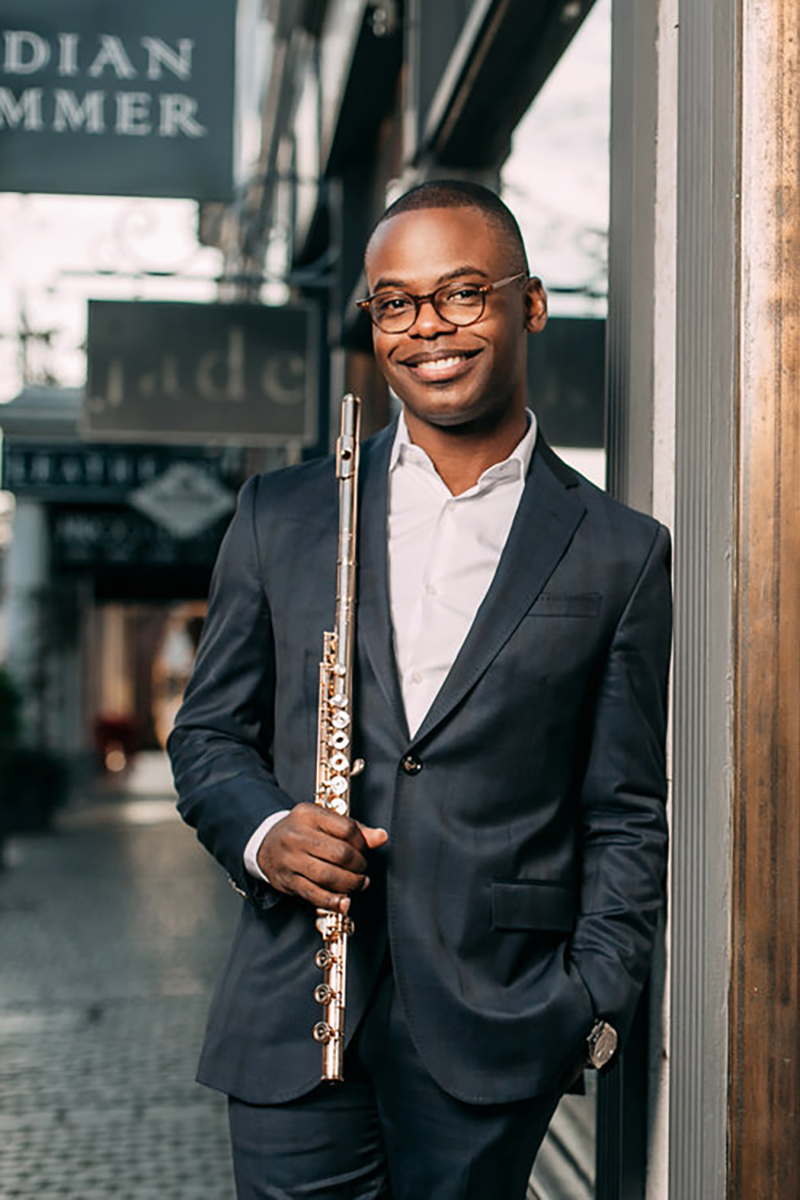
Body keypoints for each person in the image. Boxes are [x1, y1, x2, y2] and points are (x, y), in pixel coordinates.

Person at [168, 180, 672, 1200]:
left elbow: (623, 810)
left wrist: (586, 996)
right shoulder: (283, 512)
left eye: (461, 293)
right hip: (294, 1008)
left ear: (528, 306)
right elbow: (209, 735)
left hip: (499, 1023)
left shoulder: (619, 552)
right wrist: (267, 834)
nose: (425, 328)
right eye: (393, 301)